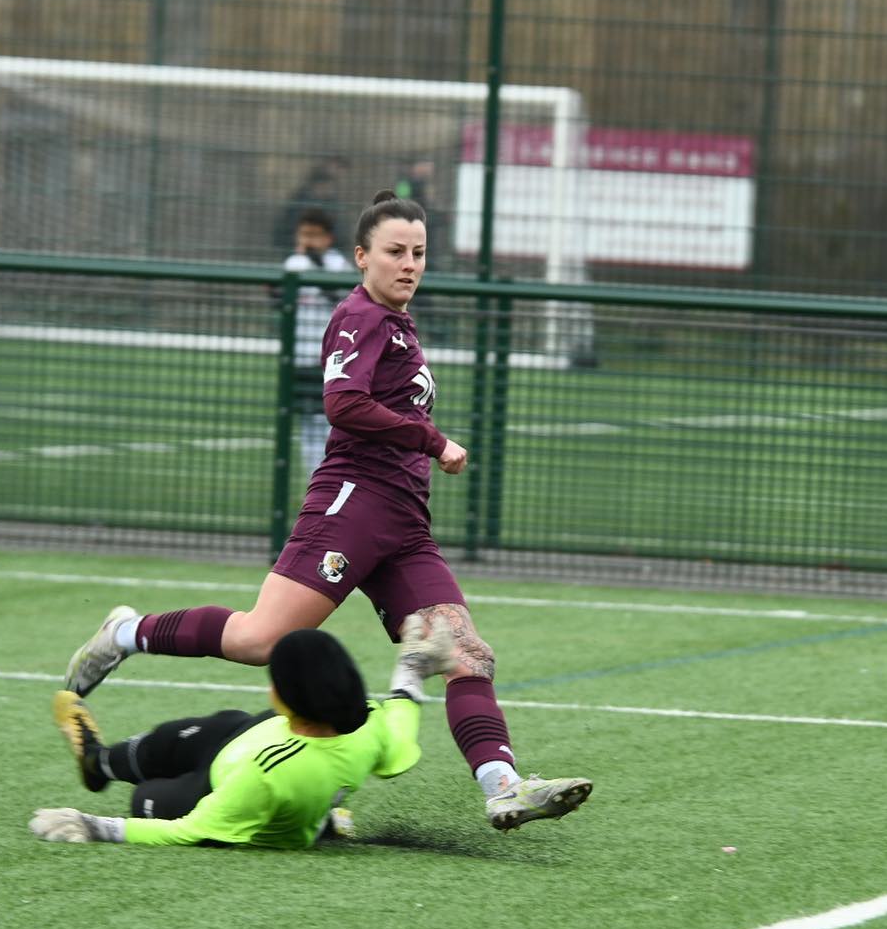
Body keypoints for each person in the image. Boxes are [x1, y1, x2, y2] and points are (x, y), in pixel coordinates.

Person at [64, 190, 593, 833]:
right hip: (353, 505)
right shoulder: (359, 316)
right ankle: (127, 633)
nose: (409, 264)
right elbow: (343, 403)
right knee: (260, 641)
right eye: (395, 252)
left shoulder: (397, 322)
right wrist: (432, 440)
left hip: (404, 524)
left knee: (467, 653)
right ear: (362, 256)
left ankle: (504, 787)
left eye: (419, 252)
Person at [32, 616, 452, 848]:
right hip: (243, 734)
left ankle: (319, 822)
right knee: (173, 739)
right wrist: (413, 666)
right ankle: (97, 762)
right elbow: (400, 722)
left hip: (216, 786)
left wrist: (94, 826)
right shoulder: (368, 724)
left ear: (290, 697)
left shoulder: (268, 774)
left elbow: (190, 830)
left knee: (143, 798)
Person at [282, 207, 352, 475]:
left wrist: (316, 264)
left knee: (328, 420)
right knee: (307, 421)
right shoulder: (293, 264)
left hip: (329, 359)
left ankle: (332, 475)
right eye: (304, 235)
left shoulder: (338, 265)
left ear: (328, 238)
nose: (308, 240)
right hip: (300, 356)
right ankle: (314, 478)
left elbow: (342, 299)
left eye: (315, 235)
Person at [271, 157, 348, 256]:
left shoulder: (330, 202)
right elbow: (290, 228)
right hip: (297, 248)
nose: (330, 190)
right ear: (317, 186)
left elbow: (338, 231)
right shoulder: (301, 201)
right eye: (326, 186)